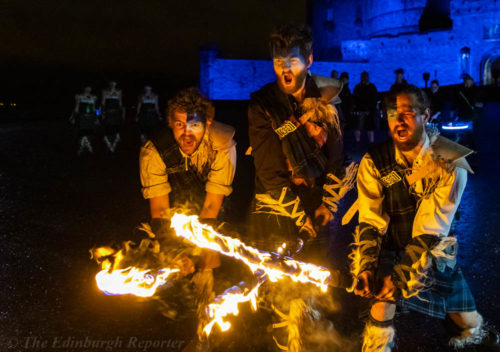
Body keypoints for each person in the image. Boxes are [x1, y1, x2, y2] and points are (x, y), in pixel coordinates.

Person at [349, 84, 498, 351]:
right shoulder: (374, 161)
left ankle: (484, 338)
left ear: (426, 115)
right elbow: (370, 220)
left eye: (407, 112)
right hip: (389, 248)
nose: (398, 120)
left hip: (432, 251)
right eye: (393, 114)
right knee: (380, 314)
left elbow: (430, 228)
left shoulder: (450, 161)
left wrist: (400, 276)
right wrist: (367, 267)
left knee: (468, 323)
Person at [140, 87, 236, 350]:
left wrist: (197, 255)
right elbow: (159, 210)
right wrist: (174, 251)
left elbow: (211, 206)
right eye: (179, 124)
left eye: (194, 124)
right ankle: (172, 331)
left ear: (206, 123)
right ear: (171, 123)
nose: (186, 133)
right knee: (171, 277)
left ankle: (206, 333)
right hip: (175, 211)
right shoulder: (154, 151)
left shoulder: (222, 145)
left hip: (211, 212)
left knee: (206, 273)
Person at [248, 24, 354, 263]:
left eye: (293, 61)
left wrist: (328, 203)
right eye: (278, 61)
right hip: (274, 205)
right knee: (274, 286)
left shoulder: (328, 98)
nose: (285, 68)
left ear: (308, 61)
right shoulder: (262, 106)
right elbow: (268, 172)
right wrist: (299, 217)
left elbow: (336, 158)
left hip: (317, 202)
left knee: (313, 280)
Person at [353, 71, 378, 145]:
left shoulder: (371, 87)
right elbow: (355, 98)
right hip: (360, 110)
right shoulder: (358, 87)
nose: (364, 79)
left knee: (369, 128)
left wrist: (370, 109)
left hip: (369, 110)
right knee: (358, 127)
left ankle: (371, 143)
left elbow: (374, 99)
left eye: (365, 77)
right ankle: (358, 143)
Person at [72, 86, 98, 155]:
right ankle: (82, 148)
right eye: (87, 88)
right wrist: (74, 116)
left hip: (90, 117)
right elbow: (77, 107)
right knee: (81, 132)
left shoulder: (94, 97)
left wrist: (96, 118)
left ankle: (87, 148)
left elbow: (94, 107)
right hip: (82, 116)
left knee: (90, 132)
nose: (88, 89)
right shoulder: (79, 96)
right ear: (84, 88)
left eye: (89, 88)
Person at [101, 81, 124, 152]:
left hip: (116, 112)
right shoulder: (105, 91)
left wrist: (122, 113)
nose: (113, 85)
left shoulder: (119, 91)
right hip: (108, 112)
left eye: (114, 84)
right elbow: (103, 102)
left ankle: (114, 146)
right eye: (111, 84)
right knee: (107, 128)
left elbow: (120, 102)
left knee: (116, 129)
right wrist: (102, 112)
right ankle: (108, 146)